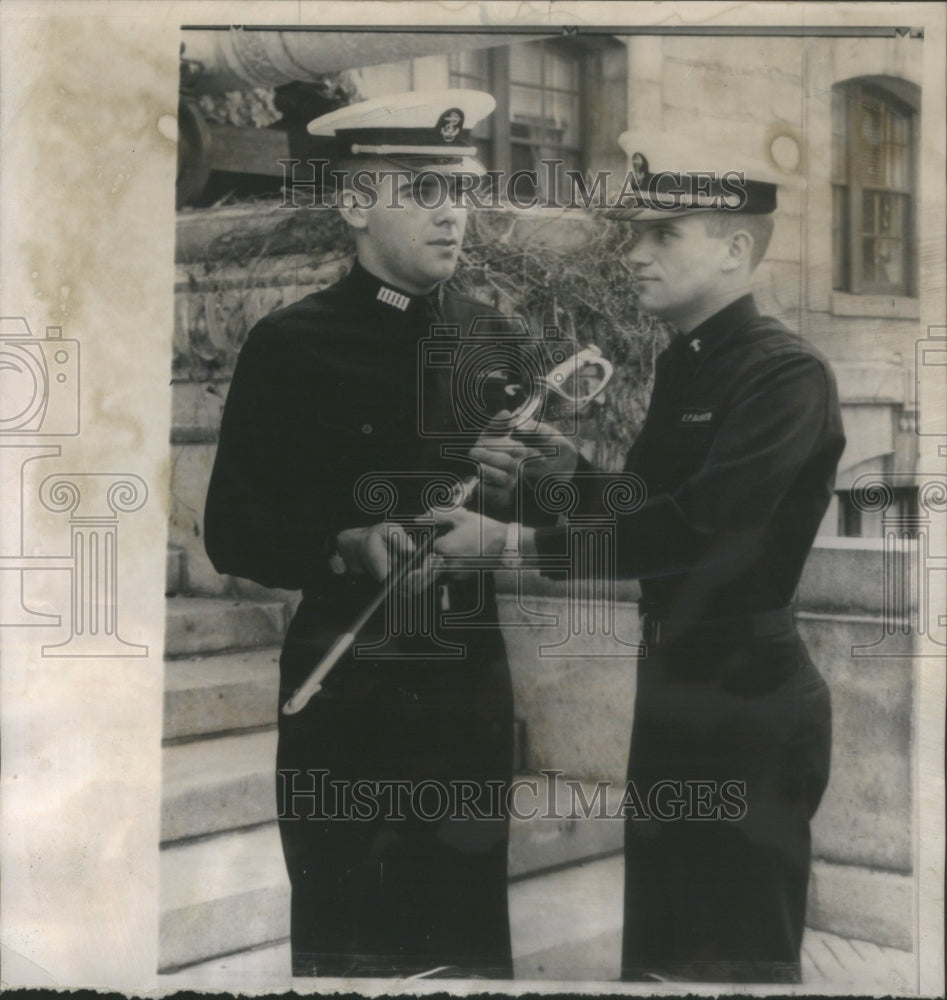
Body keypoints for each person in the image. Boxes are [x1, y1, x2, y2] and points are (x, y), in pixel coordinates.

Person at [432, 134, 846, 983]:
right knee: (661, 955)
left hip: (749, 707)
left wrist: (512, 543)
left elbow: (700, 534)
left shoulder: (784, 374)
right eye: (635, 235)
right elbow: (641, 515)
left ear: (735, 250)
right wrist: (564, 475)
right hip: (677, 687)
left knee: (733, 957)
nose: (635, 253)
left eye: (664, 235)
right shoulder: (688, 364)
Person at [203, 90, 523, 979]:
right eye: (422, 190)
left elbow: (533, 516)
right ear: (354, 205)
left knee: (463, 958)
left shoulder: (495, 338)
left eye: (459, 188)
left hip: (466, 694)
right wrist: (342, 543)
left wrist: (523, 492)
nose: (452, 210)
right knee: (356, 954)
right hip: (344, 701)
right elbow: (231, 530)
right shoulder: (291, 344)